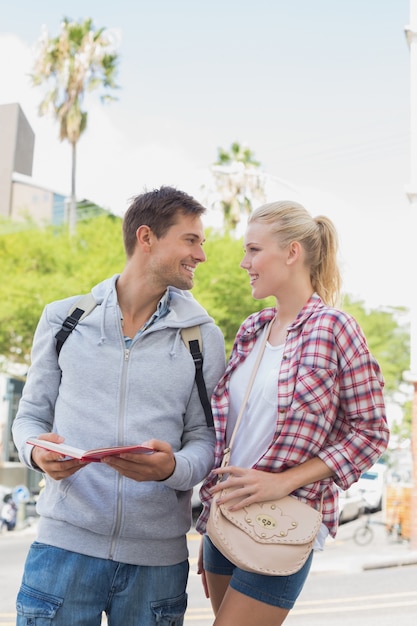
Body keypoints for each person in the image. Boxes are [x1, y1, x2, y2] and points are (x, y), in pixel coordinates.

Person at [12, 186, 226, 626]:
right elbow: (30, 417)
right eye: (191, 240)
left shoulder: (201, 337)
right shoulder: (64, 320)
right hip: (63, 551)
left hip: (156, 565)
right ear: (146, 238)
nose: (201, 254)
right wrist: (36, 453)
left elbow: (206, 440)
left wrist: (172, 469)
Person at [196, 199, 389, 626]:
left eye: (253, 250)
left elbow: (371, 431)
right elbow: (234, 434)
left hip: (286, 519)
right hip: (227, 515)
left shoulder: (336, 328)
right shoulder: (251, 330)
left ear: (292, 252)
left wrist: (282, 481)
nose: (244, 262)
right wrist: (210, 521)